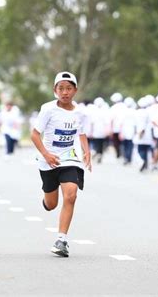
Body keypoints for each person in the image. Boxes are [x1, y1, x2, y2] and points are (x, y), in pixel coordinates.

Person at [30, 71, 91, 257]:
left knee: (71, 195)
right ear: (55, 90)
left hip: (69, 158)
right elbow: (34, 134)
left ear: (75, 90)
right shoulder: (48, 109)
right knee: (51, 204)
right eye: (61, 88)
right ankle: (47, 199)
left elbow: (81, 133)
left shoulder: (80, 112)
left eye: (69, 88)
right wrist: (46, 154)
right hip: (48, 161)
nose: (65, 92)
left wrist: (86, 151)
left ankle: (61, 240)